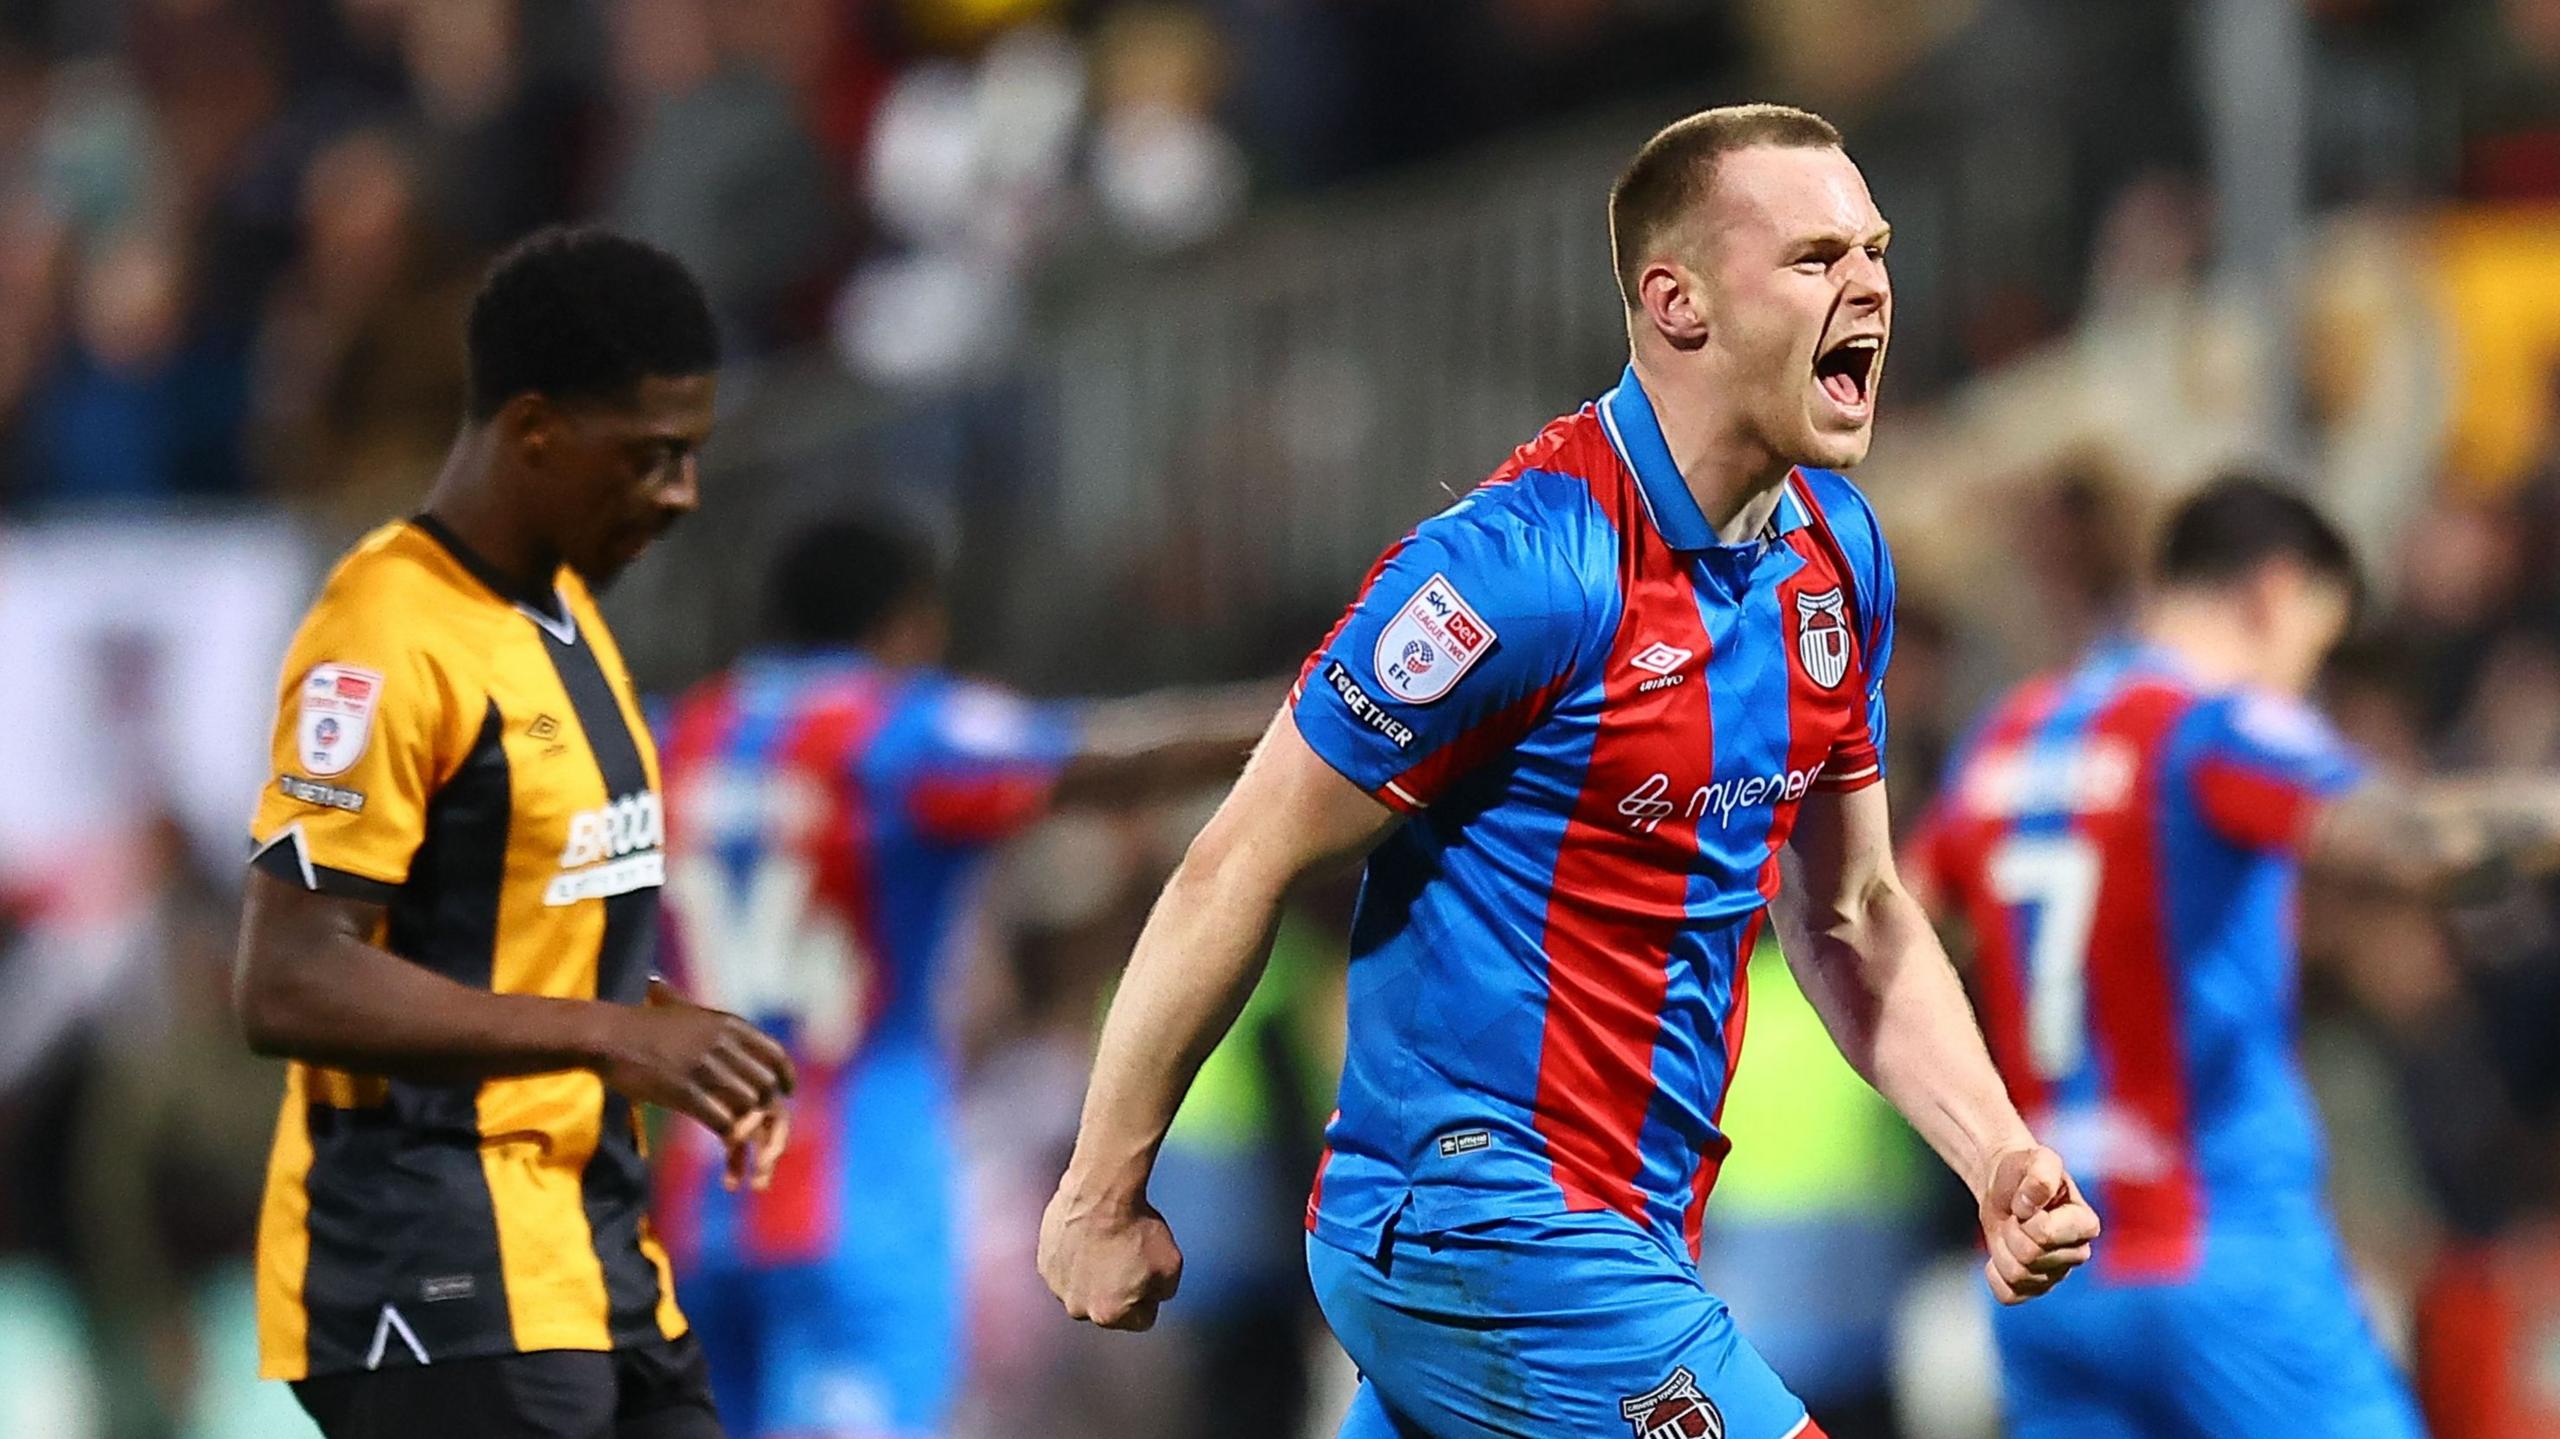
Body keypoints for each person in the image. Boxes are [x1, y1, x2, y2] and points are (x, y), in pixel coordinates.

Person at [1036, 103, 2101, 1439]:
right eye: (1818, 256)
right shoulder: (1516, 569)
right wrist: (1099, 1188)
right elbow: (1237, 854)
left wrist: (1995, 1147)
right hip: (1478, 1214)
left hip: (1627, 1229)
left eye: (1875, 249)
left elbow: (1851, 912)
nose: (1873, 283)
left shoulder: (1839, 559)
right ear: (1679, 303)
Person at [234, 227, 795, 1439]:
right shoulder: (384, 630)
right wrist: (608, 1034)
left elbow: (499, 930)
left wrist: (668, 1036)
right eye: (651, 459)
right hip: (428, 1257)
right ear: (536, 431)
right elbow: (285, 973)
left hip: (589, 1248)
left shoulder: (562, 612)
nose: (681, 495)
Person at [1910, 476, 2560, 1439]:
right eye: (2316, 648)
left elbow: (1902, 930)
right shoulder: (2213, 726)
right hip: (2222, 1254)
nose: (2309, 683)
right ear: (2274, 593)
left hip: (2049, 1269)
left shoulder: (2006, 735)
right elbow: (2421, 841)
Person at [655, 514, 1278, 1439]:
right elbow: (1121, 754)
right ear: (907, 623)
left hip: (700, 1201)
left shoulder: (674, 736)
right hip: (862, 1195)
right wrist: (1358, 711)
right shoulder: (896, 731)